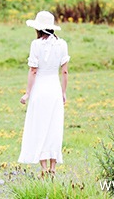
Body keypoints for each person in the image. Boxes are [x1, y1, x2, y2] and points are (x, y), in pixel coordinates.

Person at [18, 10, 70, 178]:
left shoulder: (36, 45)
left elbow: (33, 71)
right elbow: (65, 72)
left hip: (40, 89)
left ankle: (43, 168)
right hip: (54, 88)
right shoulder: (62, 44)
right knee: (54, 126)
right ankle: (53, 167)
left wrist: (27, 93)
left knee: (40, 126)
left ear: (38, 28)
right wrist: (63, 92)